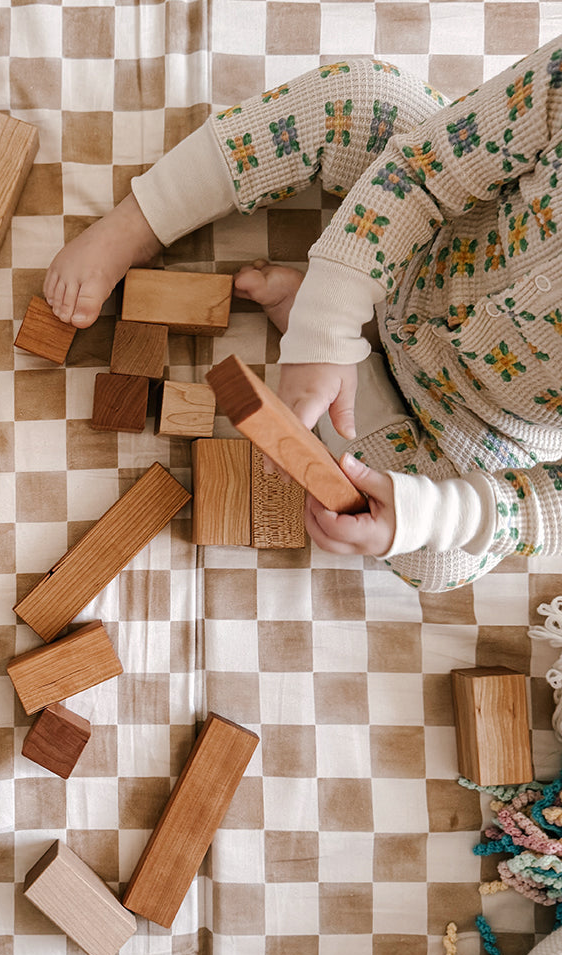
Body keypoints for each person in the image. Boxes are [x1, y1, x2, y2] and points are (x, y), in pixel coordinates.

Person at [44, 41, 562, 592]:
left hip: (478, 423)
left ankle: (340, 368)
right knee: (363, 94)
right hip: (422, 231)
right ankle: (140, 224)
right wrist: (331, 310)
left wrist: (435, 513)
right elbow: (427, 172)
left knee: (442, 558)